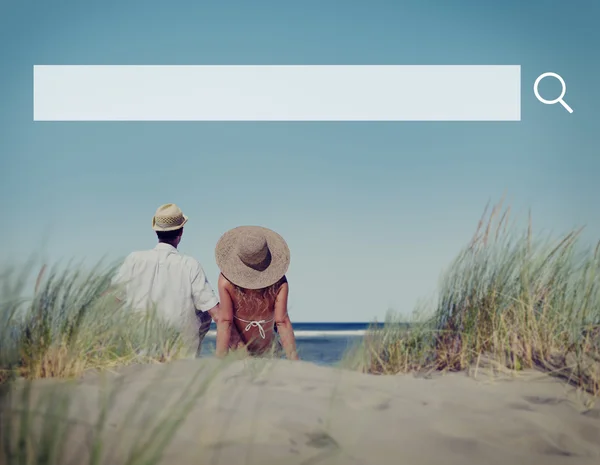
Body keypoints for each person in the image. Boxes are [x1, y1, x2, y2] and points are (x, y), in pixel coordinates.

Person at [112, 203, 242, 355]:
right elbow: (217, 314)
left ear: (156, 231)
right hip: (180, 351)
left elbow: (111, 301)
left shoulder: (133, 260)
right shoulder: (190, 265)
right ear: (181, 232)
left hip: (138, 349)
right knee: (204, 310)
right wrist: (238, 345)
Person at [214, 225, 299, 360]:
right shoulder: (279, 282)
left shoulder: (225, 282)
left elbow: (225, 321)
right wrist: (294, 360)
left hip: (238, 353)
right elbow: (282, 322)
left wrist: (219, 360)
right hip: (269, 351)